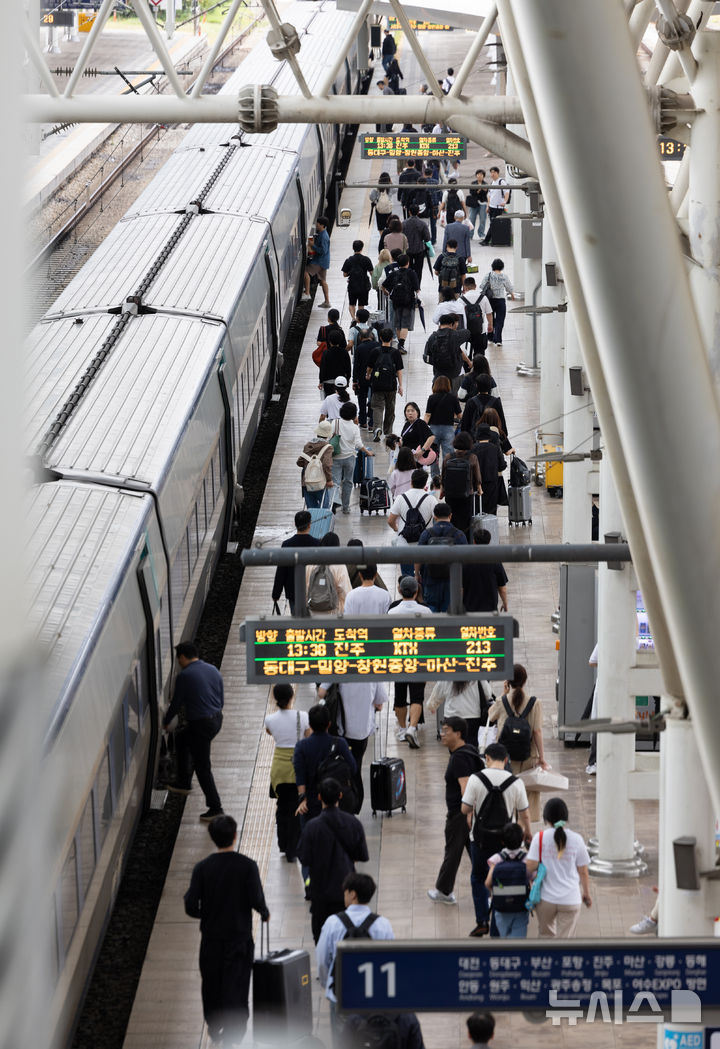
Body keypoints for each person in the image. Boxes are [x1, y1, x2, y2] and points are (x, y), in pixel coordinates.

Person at [184, 814, 269, 1046]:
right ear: (235, 835)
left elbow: (190, 905)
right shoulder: (248, 866)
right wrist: (264, 912)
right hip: (239, 940)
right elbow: (257, 900)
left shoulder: (202, 868)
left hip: (211, 941)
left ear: (213, 838)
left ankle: (214, 1026)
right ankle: (234, 1033)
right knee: (237, 985)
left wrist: (207, 915)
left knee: (211, 983)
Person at [461, 742, 531, 936]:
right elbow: (525, 813)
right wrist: (528, 833)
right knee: (501, 879)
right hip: (506, 841)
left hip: (480, 839)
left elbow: (464, 809)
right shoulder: (516, 782)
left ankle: (482, 919)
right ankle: (497, 926)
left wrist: (474, 807)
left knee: (478, 877)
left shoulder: (476, 779)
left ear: (487, 759)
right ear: (506, 760)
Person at [316, 872, 394, 1033]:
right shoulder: (383, 924)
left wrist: (328, 985)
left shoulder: (333, 923)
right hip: (373, 996)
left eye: (345, 892)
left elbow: (323, 959)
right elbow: (391, 960)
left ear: (352, 894)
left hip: (341, 996)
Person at [297, 778, 369, 943]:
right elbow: (362, 855)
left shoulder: (312, 827)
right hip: (347, 894)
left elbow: (304, 858)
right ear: (341, 796)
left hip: (320, 895)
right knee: (345, 941)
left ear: (320, 797)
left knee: (322, 941)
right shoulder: (353, 823)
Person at [164, 642, 224, 822]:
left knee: (202, 767)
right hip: (216, 719)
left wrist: (166, 722)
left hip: (201, 725)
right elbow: (221, 699)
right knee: (182, 739)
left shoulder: (185, 675)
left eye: (178, 660)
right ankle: (183, 781)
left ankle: (216, 808)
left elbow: (176, 703)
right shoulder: (213, 669)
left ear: (182, 657)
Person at [427, 716, 483, 905]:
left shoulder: (460, 757)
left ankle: (444, 891)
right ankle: (490, 885)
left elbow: (465, 787)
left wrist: (467, 814)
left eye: (446, 731)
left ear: (458, 734)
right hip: (467, 814)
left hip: (460, 814)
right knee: (474, 853)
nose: (443, 735)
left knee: (453, 851)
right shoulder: (469, 751)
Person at [487, 663, 548, 822]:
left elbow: (490, 716)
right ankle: (522, 830)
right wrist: (541, 758)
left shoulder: (502, 701)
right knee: (526, 796)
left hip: (505, 758)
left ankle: (508, 826)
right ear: (525, 681)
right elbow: (537, 732)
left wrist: (503, 693)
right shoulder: (535, 703)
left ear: (508, 681)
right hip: (528, 758)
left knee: (507, 793)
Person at [526, 797, 592, 937]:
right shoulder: (577, 839)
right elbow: (583, 872)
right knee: (566, 943)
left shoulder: (540, 837)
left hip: (545, 900)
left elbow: (530, 866)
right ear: (566, 817)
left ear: (546, 818)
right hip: (570, 899)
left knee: (546, 937)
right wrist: (586, 893)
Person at [318, 680, 387, 809]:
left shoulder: (338, 664)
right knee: (355, 768)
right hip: (362, 732)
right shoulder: (374, 666)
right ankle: (353, 803)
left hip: (341, 729)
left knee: (337, 765)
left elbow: (321, 692)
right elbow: (379, 705)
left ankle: (336, 798)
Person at [265, 684, 310, 862]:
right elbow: (308, 735)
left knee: (282, 806)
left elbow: (270, 732)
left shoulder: (269, 719)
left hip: (279, 768)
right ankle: (294, 846)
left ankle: (283, 844)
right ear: (292, 696)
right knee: (297, 807)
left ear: (275, 698)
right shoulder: (303, 716)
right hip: (297, 765)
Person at [388, 576, 432, 749]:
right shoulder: (426, 611)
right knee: (417, 696)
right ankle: (412, 728)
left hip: (398, 658)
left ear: (399, 590)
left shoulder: (392, 612)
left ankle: (402, 729)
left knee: (399, 695)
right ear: (416, 592)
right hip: (418, 659)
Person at [294, 704, 357, 823]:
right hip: (338, 802)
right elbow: (353, 768)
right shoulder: (340, 743)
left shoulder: (301, 747)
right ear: (329, 724)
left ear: (310, 724)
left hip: (312, 804)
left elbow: (300, 775)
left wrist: (302, 798)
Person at [416, 502, 468, 612]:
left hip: (430, 578)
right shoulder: (459, 534)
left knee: (431, 609)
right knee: (449, 609)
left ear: (434, 516)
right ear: (450, 516)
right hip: (452, 579)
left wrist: (417, 574)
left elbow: (418, 556)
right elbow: (466, 559)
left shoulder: (427, 534)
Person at [484, 822, 530, 938]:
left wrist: (498, 890)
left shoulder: (497, 859)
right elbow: (533, 879)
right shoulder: (526, 859)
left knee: (503, 938)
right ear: (521, 841)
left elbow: (488, 883)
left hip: (501, 908)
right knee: (518, 939)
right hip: (521, 907)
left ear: (502, 841)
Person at [387, 467, 436, 577]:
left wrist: (397, 529)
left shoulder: (401, 498)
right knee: (424, 577)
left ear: (411, 481)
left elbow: (390, 520)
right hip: (424, 545)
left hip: (405, 545)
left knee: (407, 578)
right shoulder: (431, 499)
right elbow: (437, 519)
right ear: (425, 484)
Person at [271, 510, 319, 614]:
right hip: (313, 591)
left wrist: (276, 594)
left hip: (294, 592)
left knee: (297, 622)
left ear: (295, 524)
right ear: (309, 525)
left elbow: (281, 571)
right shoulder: (317, 544)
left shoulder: (287, 545)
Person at [333, 401, 375, 514]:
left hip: (336, 457)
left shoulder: (335, 423)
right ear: (354, 415)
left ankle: (333, 503)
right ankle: (345, 507)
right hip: (350, 458)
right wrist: (368, 452)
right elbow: (358, 444)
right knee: (348, 482)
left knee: (335, 482)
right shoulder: (354, 427)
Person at [441, 431, 482, 536]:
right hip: (467, 494)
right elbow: (477, 477)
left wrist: (443, 491)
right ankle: (465, 543)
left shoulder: (448, 457)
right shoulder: (472, 458)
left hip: (450, 495)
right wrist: (479, 489)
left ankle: (452, 542)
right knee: (466, 521)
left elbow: (443, 476)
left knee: (452, 519)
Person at [366, 327, 404, 440]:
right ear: (392, 338)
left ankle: (377, 428)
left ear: (380, 338)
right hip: (391, 386)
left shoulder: (375, 351)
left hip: (377, 385)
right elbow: (399, 370)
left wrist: (368, 375)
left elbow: (369, 367)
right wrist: (400, 385)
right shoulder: (395, 353)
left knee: (377, 407)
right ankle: (388, 432)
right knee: (390, 409)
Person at [428, 679, 485, 750]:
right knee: (471, 745)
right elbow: (487, 693)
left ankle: (457, 759)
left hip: (451, 717)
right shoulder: (476, 673)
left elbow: (437, 693)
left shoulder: (447, 675)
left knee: (453, 746)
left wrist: (431, 706)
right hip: (472, 716)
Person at [463, 525, 509, 613]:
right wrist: (505, 603)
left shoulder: (465, 561)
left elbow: (461, 588)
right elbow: (502, 587)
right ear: (489, 541)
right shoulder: (495, 561)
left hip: (469, 610)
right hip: (490, 610)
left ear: (474, 541)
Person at [423, 315, 472, 394]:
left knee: (438, 396)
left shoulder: (432, 337)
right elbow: (467, 332)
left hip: (438, 375)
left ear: (440, 324)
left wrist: (437, 362)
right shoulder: (455, 335)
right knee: (453, 398)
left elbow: (426, 357)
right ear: (451, 324)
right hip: (454, 374)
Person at [381, 253, 419, 353]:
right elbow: (417, 289)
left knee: (398, 324)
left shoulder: (394, 273)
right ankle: (401, 345)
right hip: (408, 301)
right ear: (408, 263)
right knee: (405, 324)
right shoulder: (412, 273)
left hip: (396, 301)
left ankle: (399, 344)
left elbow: (383, 286)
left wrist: (388, 293)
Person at [424, 375, 462, 475]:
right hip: (448, 429)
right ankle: (448, 475)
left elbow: (428, 414)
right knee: (448, 455)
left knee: (433, 454)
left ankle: (435, 477)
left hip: (434, 429)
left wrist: (422, 427)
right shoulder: (453, 398)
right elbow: (459, 415)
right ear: (448, 385)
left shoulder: (431, 398)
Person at [306, 533, 352, 612]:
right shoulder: (339, 566)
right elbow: (346, 593)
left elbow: (304, 590)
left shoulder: (310, 565)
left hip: (312, 614)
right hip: (333, 615)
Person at [297, 420, 334, 509]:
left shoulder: (308, 445)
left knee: (311, 508)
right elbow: (326, 464)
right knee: (324, 507)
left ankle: (312, 522)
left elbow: (299, 462)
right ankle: (321, 522)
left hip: (307, 481)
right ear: (328, 435)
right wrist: (329, 480)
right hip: (321, 481)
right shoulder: (328, 447)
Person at [471, 423, 507, 516]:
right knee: (491, 511)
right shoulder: (495, 448)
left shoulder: (472, 449)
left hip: (476, 483)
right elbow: (502, 466)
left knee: (477, 509)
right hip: (492, 483)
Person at [460, 373, 508, 437]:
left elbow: (465, 424)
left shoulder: (470, 402)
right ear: (490, 386)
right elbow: (502, 420)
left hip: (474, 439)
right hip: (492, 438)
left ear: (476, 385)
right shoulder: (496, 402)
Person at [482, 258, 515, 347]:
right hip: (500, 301)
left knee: (490, 319)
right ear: (502, 267)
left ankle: (490, 337)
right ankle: (498, 340)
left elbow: (482, 286)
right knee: (500, 320)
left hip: (490, 300)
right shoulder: (504, 276)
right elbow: (509, 287)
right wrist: (512, 294)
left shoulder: (488, 275)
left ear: (493, 266)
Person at [352, 328, 379, 430]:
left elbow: (356, 366)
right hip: (375, 377)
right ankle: (372, 422)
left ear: (360, 337)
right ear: (371, 336)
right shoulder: (377, 345)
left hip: (362, 378)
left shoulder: (359, 348)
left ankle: (363, 421)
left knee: (362, 399)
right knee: (373, 400)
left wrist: (354, 380)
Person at [461, 276, 494, 356]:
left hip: (466, 332)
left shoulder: (461, 300)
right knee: (480, 354)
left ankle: (469, 367)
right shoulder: (483, 298)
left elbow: (459, 316)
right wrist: (490, 325)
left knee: (467, 355)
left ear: (464, 287)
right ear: (475, 286)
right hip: (480, 331)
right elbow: (489, 313)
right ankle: (479, 368)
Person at [303, 216, 332, 308]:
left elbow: (323, 251)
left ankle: (307, 293)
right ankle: (327, 302)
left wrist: (312, 245)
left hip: (320, 261)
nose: (316, 225)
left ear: (322, 225)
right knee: (323, 281)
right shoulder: (323, 234)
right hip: (324, 261)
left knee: (306, 272)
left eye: (318, 224)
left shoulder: (323, 236)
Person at [342, 240, 374, 321]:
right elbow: (371, 273)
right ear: (362, 248)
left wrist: (351, 272)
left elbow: (344, 274)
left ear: (353, 248)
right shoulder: (366, 259)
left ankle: (353, 318)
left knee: (352, 303)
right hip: (363, 285)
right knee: (361, 304)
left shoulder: (348, 260)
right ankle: (359, 318)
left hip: (352, 285)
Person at [402, 204, 431, 282]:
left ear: (409, 212)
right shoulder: (422, 224)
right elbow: (427, 238)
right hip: (419, 250)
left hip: (407, 250)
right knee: (418, 270)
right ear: (418, 212)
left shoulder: (404, 223)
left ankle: (409, 285)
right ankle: (417, 286)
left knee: (408, 269)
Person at [482, 166, 510, 246]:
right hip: (492, 207)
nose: (492, 174)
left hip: (498, 207)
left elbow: (507, 192)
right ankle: (491, 240)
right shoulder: (492, 183)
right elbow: (489, 196)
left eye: (494, 172)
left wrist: (504, 201)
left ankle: (486, 240)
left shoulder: (501, 182)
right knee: (492, 224)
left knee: (493, 224)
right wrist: (488, 206)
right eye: (491, 172)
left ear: (498, 173)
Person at [319, 329, 352, 397]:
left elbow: (322, 368)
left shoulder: (326, 353)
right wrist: (348, 379)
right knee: (340, 399)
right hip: (341, 381)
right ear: (340, 341)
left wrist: (321, 381)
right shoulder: (344, 353)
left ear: (329, 341)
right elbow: (348, 368)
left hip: (328, 381)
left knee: (329, 400)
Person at [466, 170, 488, 241]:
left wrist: (483, 190)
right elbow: (471, 192)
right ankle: (470, 235)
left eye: (481, 174)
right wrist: (479, 190)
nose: (479, 176)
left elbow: (486, 193)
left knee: (482, 219)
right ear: (476, 175)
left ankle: (481, 234)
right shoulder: (473, 183)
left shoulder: (485, 184)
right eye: (478, 174)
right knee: (472, 219)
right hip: (474, 203)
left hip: (483, 203)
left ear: (483, 176)